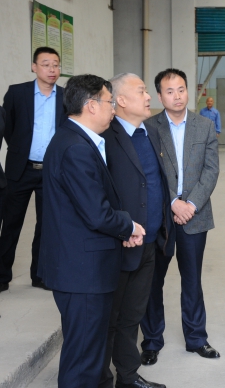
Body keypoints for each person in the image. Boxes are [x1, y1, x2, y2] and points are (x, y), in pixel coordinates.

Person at [37, 74, 145, 388]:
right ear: (91, 105)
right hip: (82, 272)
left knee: (89, 354)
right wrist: (129, 225)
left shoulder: (75, 140)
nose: (113, 109)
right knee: (83, 361)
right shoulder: (75, 148)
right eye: (110, 102)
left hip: (81, 268)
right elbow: (96, 213)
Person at [99, 73, 175, 388]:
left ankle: (127, 377)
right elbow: (100, 194)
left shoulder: (150, 132)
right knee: (110, 318)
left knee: (132, 316)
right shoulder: (106, 136)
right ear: (120, 101)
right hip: (119, 244)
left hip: (150, 242)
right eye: (141, 91)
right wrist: (123, 229)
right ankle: (101, 378)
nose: (148, 97)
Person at [140, 68, 220, 365]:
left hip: (195, 217)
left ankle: (196, 338)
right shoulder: (148, 128)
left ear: (189, 92)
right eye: (170, 91)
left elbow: (211, 170)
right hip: (159, 216)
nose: (177, 96)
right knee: (152, 281)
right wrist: (173, 202)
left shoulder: (205, 126)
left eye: (181, 89)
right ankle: (151, 340)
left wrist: (191, 205)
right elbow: (148, 173)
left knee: (192, 280)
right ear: (160, 96)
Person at [0, 46, 66, 293]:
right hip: (21, 169)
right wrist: (19, 151)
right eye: (46, 64)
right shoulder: (17, 93)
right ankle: (2, 275)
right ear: (34, 67)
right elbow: (7, 127)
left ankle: (40, 275)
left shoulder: (65, 97)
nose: (52, 69)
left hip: (51, 171)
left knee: (47, 226)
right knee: (11, 223)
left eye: (56, 65)